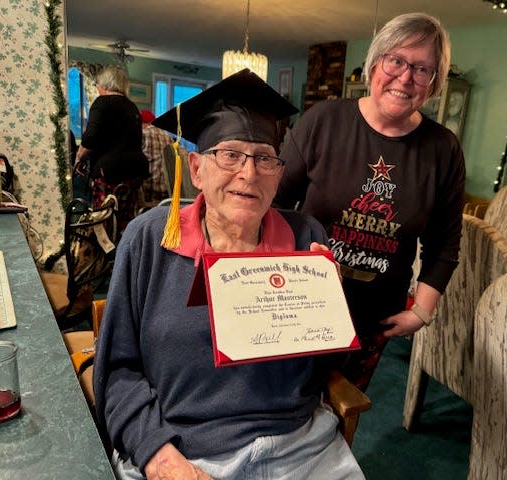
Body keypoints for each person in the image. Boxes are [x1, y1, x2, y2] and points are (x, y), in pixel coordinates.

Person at [93, 69, 365, 480]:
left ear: (279, 174)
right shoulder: (149, 240)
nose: (249, 174)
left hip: (299, 445)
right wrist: (162, 460)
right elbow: (117, 370)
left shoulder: (306, 236)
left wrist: (332, 311)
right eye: (230, 154)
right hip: (184, 449)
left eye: (264, 158)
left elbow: (326, 365)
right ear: (197, 169)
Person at [274, 12, 466, 391]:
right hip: (300, 303)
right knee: (283, 402)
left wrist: (423, 311)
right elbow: (275, 205)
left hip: (374, 318)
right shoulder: (324, 120)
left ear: (434, 83)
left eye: (423, 69)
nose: (406, 77)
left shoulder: (443, 149)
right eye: (395, 60)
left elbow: (444, 243)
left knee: (341, 416)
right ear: (375, 62)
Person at [74, 66, 149, 231]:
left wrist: (79, 158)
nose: (98, 88)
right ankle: (125, 253)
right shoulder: (132, 106)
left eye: (98, 85)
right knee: (126, 219)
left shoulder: (102, 102)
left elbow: (91, 136)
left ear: (105, 85)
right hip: (135, 169)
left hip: (109, 170)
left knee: (103, 220)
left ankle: (106, 254)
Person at [139, 109, 188, 204]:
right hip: (167, 190)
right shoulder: (168, 136)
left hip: (149, 190)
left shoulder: (143, 134)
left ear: (143, 123)